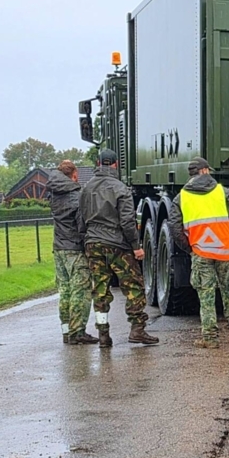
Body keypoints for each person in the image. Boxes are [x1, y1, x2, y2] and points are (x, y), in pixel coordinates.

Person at [79, 148, 159, 347]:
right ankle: (137, 329)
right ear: (115, 164)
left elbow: (80, 219)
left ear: (98, 163)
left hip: (93, 243)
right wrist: (136, 247)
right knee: (133, 286)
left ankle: (103, 335)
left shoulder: (86, 188)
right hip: (117, 245)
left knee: (99, 289)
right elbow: (127, 221)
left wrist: (86, 241)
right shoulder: (121, 188)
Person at [169, 157, 229, 349]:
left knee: (205, 294)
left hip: (201, 252)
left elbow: (174, 226)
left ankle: (210, 338)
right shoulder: (222, 192)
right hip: (224, 251)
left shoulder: (181, 197)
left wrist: (189, 247)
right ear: (205, 171)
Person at [48, 160, 97, 345]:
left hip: (58, 246)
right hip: (74, 248)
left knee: (65, 291)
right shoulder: (76, 195)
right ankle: (78, 332)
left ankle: (66, 330)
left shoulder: (53, 193)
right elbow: (81, 224)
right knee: (81, 290)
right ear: (74, 175)